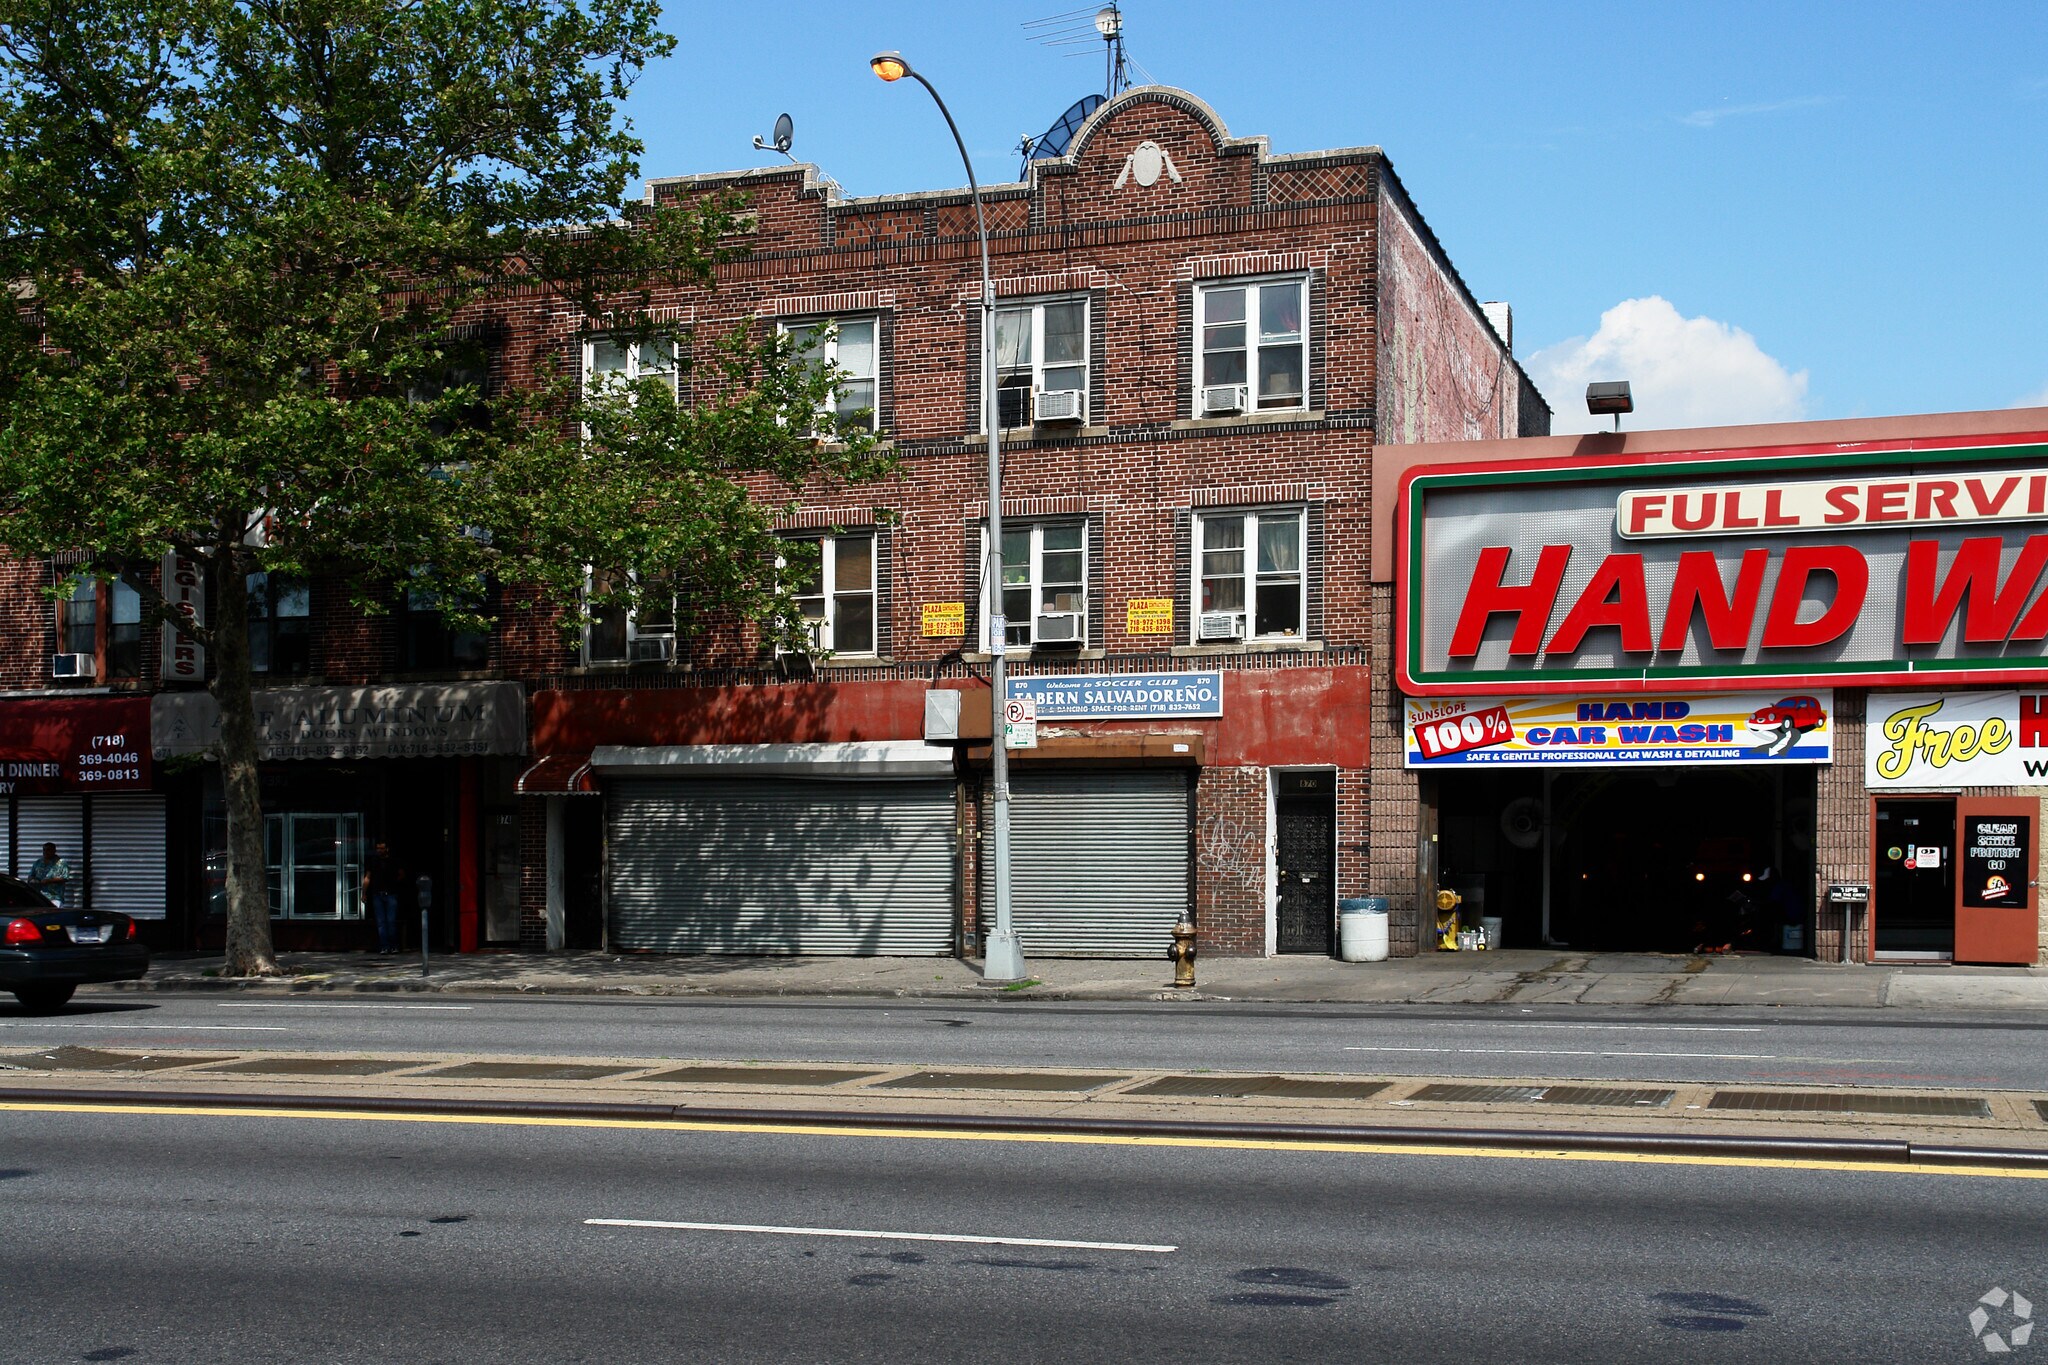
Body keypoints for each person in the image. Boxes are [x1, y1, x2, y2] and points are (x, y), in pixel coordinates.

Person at [363, 841, 405, 954]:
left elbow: (401, 874)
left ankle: (393, 945)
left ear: (387, 849)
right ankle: (384, 946)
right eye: (378, 848)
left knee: (391, 921)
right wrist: (364, 893)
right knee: (381, 922)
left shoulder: (393, 860)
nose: (379, 851)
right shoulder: (373, 861)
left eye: (382, 848)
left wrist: (393, 883)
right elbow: (367, 877)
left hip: (391, 893)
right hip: (378, 893)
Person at [26, 842, 70, 907]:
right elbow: (30, 876)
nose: (45, 852)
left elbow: (65, 877)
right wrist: (34, 880)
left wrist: (49, 881)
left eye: (48, 850)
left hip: (55, 897)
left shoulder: (61, 863)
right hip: (40, 897)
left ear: (54, 851)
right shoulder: (38, 862)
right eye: (44, 850)